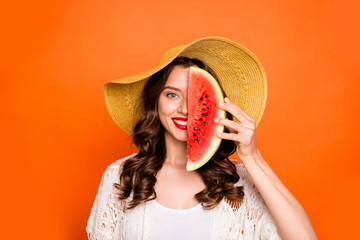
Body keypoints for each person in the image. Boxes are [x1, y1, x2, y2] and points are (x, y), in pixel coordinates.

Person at [86, 37, 317, 240]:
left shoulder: (238, 179)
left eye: (199, 98)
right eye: (172, 94)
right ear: (155, 101)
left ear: (217, 107)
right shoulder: (121, 175)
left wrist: (253, 157)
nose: (185, 109)